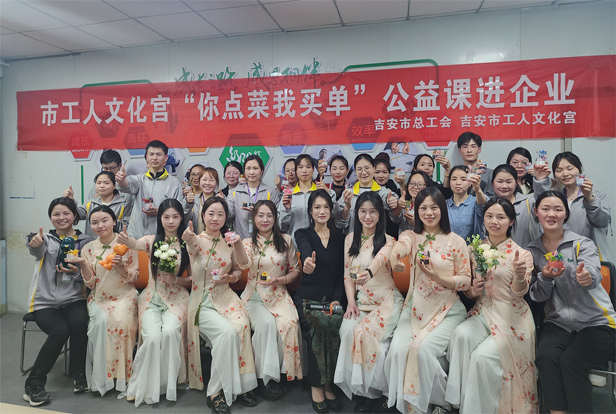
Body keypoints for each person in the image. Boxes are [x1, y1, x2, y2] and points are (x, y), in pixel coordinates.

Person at [445, 198, 538, 414]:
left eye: (501, 217)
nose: (494, 221)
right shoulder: (474, 248)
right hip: (483, 311)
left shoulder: (522, 254)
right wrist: (472, 290)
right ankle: (459, 402)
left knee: (482, 357)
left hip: (511, 317)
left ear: (511, 221)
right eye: (489, 216)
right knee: (460, 335)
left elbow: (520, 292)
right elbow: (468, 290)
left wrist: (519, 274)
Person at [528, 191, 615, 414]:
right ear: (536, 212)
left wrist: (586, 278)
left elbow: (593, 273)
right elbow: (537, 295)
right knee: (546, 358)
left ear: (566, 214)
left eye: (558, 209)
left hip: (597, 323)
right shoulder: (532, 251)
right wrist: (545, 277)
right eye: (545, 209)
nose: (551, 214)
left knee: (571, 362)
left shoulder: (581, 244)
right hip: (558, 323)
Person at [386, 187, 471, 414]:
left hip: (447, 309)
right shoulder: (412, 236)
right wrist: (394, 256)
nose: (429, 213)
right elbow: (401, 245)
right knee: (398, 350)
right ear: (416, 211)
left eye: (434, 207)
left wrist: (439, 277)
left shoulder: (456, 241)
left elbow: (465, 281)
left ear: (442, 209)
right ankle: (411, 406)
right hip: (415, 308)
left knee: (421, 350)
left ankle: (443, 403)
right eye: (423, 208)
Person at [182, 197, 258, 413]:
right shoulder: (196, 240)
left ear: (226, 218)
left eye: (220, 214)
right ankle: (215, 392)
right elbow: (191, 246)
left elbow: (241, 267)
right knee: (227, 333)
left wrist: (231, 277)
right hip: (202, 302)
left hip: (226, 298)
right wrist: (188, 236)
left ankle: (242, 385)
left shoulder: (230, 240)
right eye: (211, 213)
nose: (215, 218)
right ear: (203, 216)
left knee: (242, 327)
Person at [117, 199, 192, 407]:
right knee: (151, 338)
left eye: (175, 217)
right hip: (152, 297)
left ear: (181, 218)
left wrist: (176, 280)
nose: (170, 221)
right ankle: (144, 383)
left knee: (169, 332)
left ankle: (166, 383)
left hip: (177, 298)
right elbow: (135, 244)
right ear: (160, 218)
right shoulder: (152, 240)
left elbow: (193, 280)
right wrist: (125, 239)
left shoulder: (187, 243)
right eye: (166, 217)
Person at [334, 192, 404, 412]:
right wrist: (351, 303)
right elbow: (348, 276)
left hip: (386, 303)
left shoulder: (389, 241)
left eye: (373, 211)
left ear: (380, 214)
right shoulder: (349, 239)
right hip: (361, 302)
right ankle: (361, 389)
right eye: (363, 211)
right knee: (347, 330)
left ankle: (380, 392)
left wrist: (368, 273)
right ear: (357, 213)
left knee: (366, 337)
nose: (368, 216)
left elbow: (379, 260)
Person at [23, 198, 91, 406]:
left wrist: (76, 272)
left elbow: (87, 274)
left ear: (75, 216)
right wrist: (34, 243)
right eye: (56, 214)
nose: (61, 217)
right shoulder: (44, 238)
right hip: (44, 302)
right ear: (50, 217)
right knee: (60, 331)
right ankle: (33, 384)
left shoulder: (85, 241)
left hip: (73, 298)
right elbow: (36, 250)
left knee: (80, 323)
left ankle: (78, 372)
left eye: (66, 213)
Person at [235, 200, 303, 400]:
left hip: (279, 294)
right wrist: (237, 244)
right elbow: (243, 264)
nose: (265, 220)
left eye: (269, 215)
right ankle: (265, 378)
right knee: (266, 325)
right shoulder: (247, 243)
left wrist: (280, 280)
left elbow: (295, 270)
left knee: (290, 323)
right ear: (253, 218)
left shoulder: (286, 240)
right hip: (255, 296)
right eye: (260, 215)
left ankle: (282, 372)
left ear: (275, 218)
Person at [76, 206, 139, 397]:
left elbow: (135, 276)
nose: (100, 225)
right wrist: (84, 265)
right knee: (101, 323)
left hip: (125, 296)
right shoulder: (88, 248)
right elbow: (90, 283)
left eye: (105, 220)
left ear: (114, 221)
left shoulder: (127, 244)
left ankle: (121, 377)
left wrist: (121, 268)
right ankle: (101, 379)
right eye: (94, 222)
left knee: (121, 322)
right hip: (100, 298)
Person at [294, 190, 346, 413]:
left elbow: (341, 274)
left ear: (331, 210)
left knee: (335, 324)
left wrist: (336, 300)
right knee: (319, 326)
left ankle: (328, 383)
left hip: (332, 299)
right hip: (307, 298)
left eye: (326, 207)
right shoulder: (303, 233)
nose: (321, 211)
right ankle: (317, 384)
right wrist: (307, 261)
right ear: (310, 211)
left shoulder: (340, 238)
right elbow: (305, 249)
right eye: (317, 207)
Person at [115, 140, 184, 239]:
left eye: (158, 154)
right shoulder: (139, 179)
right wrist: (121, 180)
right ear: (147, 157)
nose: (154, 158)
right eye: (151, 154)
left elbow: (178, 210)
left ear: (166, 158)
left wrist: (159, 212)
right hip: (136, 236)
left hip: (162, 237)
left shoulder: (174, 183)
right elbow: (127, 186)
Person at [550, 151, 612, 261]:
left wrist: (589, 199)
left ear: (580, 168)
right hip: (564, 259)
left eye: (570, 168)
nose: (565, 173)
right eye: (559, 170)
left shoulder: (597, 195)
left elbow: (602, 222)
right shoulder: (555, 199)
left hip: (592, 258)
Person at [482, 164, 551, 249]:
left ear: (516, 183)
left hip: (527, 254)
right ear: (492, 184)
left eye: (509, 182)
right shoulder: (489, 205)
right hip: (495, 255)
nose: (504, 186)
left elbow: (543, 202)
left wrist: (541, 180)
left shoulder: (528, 202)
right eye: (500, 181)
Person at [335, 154, 402, 234]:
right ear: (355, 171)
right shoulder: (348, 194)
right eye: (359, 169)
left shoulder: (383, 191)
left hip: (377, 240)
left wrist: (392, 202)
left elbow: (395, 216)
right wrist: (347, 207)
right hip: (353, 240)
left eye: (367, 168)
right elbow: (339, 224)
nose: (364, 172)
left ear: (374, 169)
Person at [279, 154, 336, 244]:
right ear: (296, 171)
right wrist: (287, 210)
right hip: (295, 245)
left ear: (313, 170)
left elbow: (335, 215)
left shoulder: (321, 193)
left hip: (320, 244)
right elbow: (281, 226)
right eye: (301, 167)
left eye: (308, 167)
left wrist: (328, 193)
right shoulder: (288, 195)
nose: (304, 170)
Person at [226, 155, 281, 239]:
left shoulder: (270, 192)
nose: (251, 172)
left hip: (265, 241)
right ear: (244, 171)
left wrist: (258, 212)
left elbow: (277, 218)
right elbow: (228, 215)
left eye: (255, 168)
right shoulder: (234, 192)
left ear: (261, 171)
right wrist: (222, 205)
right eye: (248, 168)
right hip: (241, 242)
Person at [64, 171, 132, 239]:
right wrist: (71, 200)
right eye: (98, 183)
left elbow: (127, 226)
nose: (101, 186)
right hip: (92, 242)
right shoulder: (91, 202)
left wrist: (109, 221)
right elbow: (78, 215)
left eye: (106, 183)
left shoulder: (123, 203)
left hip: (115, 242)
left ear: (114, 186)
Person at [445, 166, 486, 243]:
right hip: (448, 248)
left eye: (463, 179)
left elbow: (484, 205)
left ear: (470, 183)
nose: (458, 183)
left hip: (472, 249)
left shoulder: (476, 201)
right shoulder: (443, 204)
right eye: (454, 179)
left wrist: (478, 190)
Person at [186, 167, 222, 234]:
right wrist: (187, 204)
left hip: (216, 239)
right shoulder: (193, 200)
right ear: (199, 181)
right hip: (197, 238)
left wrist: (224, 204)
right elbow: (184, 219)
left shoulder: (221, 199)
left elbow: (230, 217)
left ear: (216, 183)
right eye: (204, 179)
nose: (207, 183)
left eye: (211, 180)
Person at [457, 132, 494, 198]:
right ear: (459, 151)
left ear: (479, 149)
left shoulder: (489, 174)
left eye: (473, 146)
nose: (469, 150)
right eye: (465, 147)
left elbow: (492, 197)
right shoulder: (456, 173)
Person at [374, 154, 402, 238]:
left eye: (384, 172)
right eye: (377, 172)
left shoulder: (392, 186)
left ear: (389, 173)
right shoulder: (369, 187)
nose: (381, 176)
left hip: (391, 231)